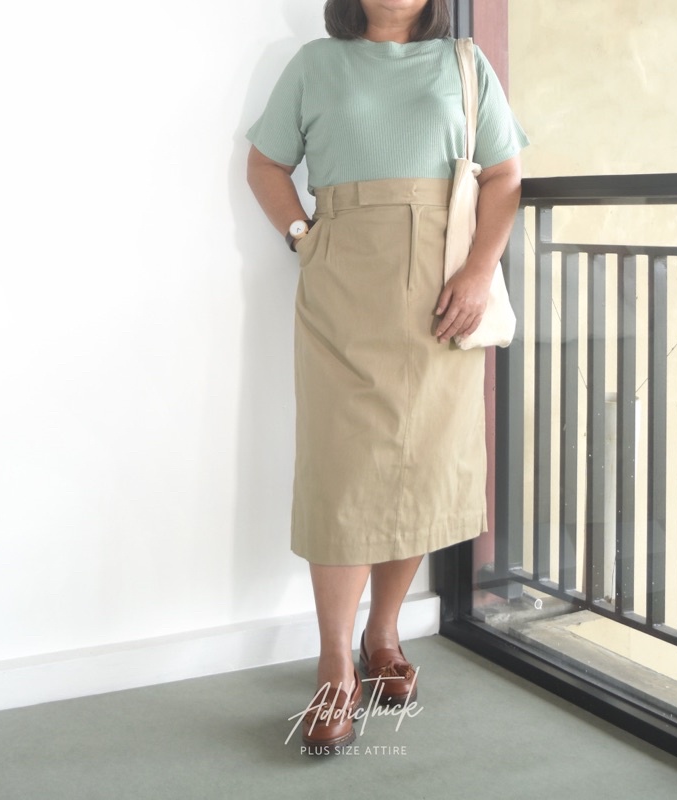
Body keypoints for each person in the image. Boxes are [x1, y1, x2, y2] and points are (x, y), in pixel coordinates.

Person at [246, 0, 528, 751]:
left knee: (421, 463)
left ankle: (383, 634)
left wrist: (479, 272)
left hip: (444, 287)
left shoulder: (465, 63)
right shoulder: (315, 64)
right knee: (345, 469)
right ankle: (334, 663)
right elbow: (265, 163)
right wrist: (303, 236)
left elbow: (504, 175)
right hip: (344, 283)